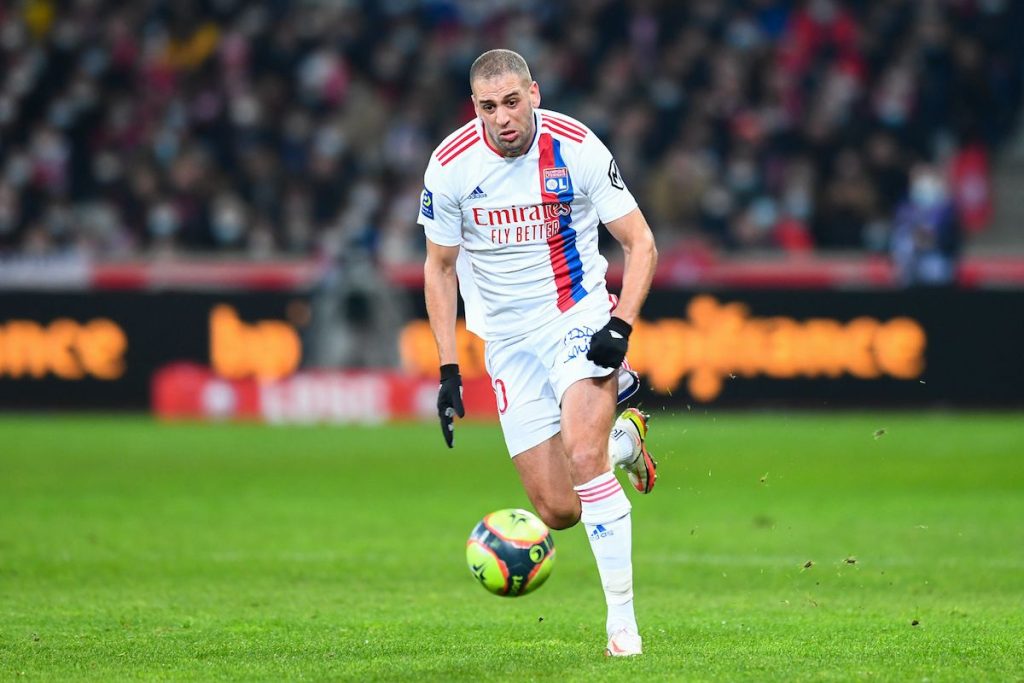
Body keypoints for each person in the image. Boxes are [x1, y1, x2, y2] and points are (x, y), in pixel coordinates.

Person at [418, 49, 659, 656]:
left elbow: (641, 243)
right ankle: (624, 440)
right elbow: (440, 268)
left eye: (511, 102)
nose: (501, 118)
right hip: (506, 343)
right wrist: (448, 369)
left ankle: (623, 627)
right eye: (487, 106)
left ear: (535, 94)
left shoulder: (576, 147)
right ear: (473, 107)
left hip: (575, 318)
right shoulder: (449, 166)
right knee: (557, 510)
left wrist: (621, 326)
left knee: (583, 454)